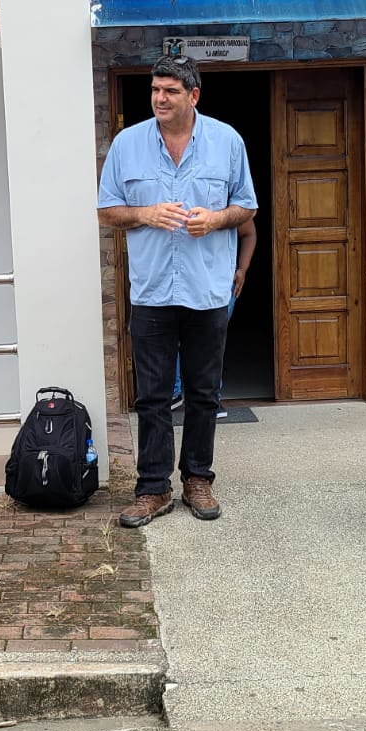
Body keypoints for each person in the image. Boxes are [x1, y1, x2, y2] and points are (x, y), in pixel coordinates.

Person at [98, 53, 257, 527]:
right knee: (151, 396)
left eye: (170, 91)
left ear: (194, 95)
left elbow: (247, 207)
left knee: (204, 393)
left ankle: (198, 478)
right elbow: (106, 210)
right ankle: (153, 488)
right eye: (155, 90)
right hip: (151, 291)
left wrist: (217, 219)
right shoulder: (127, 144)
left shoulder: (227, 141)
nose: (159, 98)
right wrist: (144, 213)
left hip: (207, 290)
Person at [170, 216, 258, 420]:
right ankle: (174, 393)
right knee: (171, 335)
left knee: (210, 340)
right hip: (180, 280)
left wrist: (242, 270)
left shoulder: (229, 207)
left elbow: (249, 233)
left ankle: (211, 396)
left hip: (220, 284)